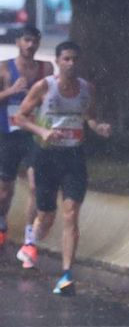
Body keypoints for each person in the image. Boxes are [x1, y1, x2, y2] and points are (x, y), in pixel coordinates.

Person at [13, 41, 112, 295]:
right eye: (66, 59)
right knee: (46, 217)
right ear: (57, 61)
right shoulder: (44, 87)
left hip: (73, 157)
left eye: (75, 59)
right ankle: (31, 242)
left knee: (71, 214)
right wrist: (42, 131)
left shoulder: (87, 89)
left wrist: (98, 127)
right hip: (46, 156)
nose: (71, 63)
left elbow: (90, 116)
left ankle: (67, 276)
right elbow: (19, 117)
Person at [0, 25, 52, 251]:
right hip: (8, 134)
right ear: (18, 42)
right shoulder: (4, 68)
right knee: (5, 190)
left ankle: (29, 238)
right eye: (26, 40)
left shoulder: (46, 68)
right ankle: (2, 223)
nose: (31, 45)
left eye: (34, 41)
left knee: (34, 185)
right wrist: (11, 92)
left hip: (34, 134)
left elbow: (52, 96)